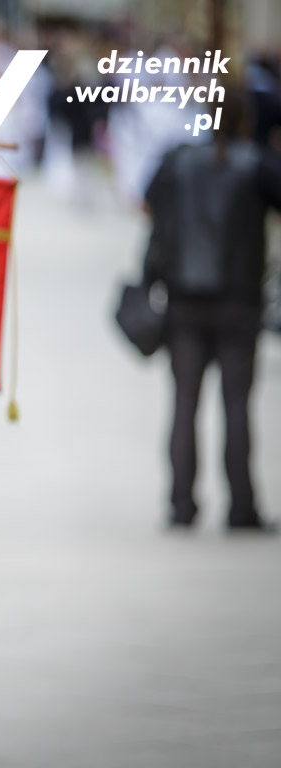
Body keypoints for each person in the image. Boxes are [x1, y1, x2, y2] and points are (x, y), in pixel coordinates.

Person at [144, 92, 281, 531]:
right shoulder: (256, 164)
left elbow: (148, 203)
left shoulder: (179, 160)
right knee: (236, 405)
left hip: (185, 298)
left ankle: (182, 504)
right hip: (238, 300)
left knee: (185, 403)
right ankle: (242, 507)